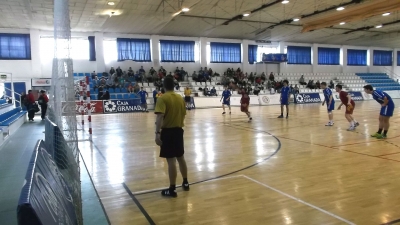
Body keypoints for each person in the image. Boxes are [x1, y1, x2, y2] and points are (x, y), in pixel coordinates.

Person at [154, 76, 189, 198]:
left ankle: (172, 188)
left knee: (171, 160)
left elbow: (159, 117)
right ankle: (185, 182)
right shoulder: (180, 98)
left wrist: (157, 133)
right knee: (181, 157)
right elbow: (184, 115)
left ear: (164, 86)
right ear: (174, 86)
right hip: (179, 131)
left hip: (168, 132)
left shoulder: (162, 98)